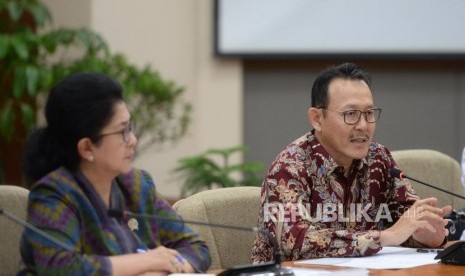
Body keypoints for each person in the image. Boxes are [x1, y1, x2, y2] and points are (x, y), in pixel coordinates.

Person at [251, 63, 452, 263]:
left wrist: (422, 235)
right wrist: (383, 237)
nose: (363, 126)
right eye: (351, 114)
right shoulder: (289, 168)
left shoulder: (378, 159)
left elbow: (404, 222)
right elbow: (294, 242)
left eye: (369, 113)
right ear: (317, 119)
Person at [19, 73, 210, 274]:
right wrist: (146, 261)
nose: (133, 140)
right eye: (122, 132)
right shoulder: (53, 195)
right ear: (87, 148)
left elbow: (195, 247)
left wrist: (162, 270)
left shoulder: (136, 185)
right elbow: (62, 268)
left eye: (131, 127)